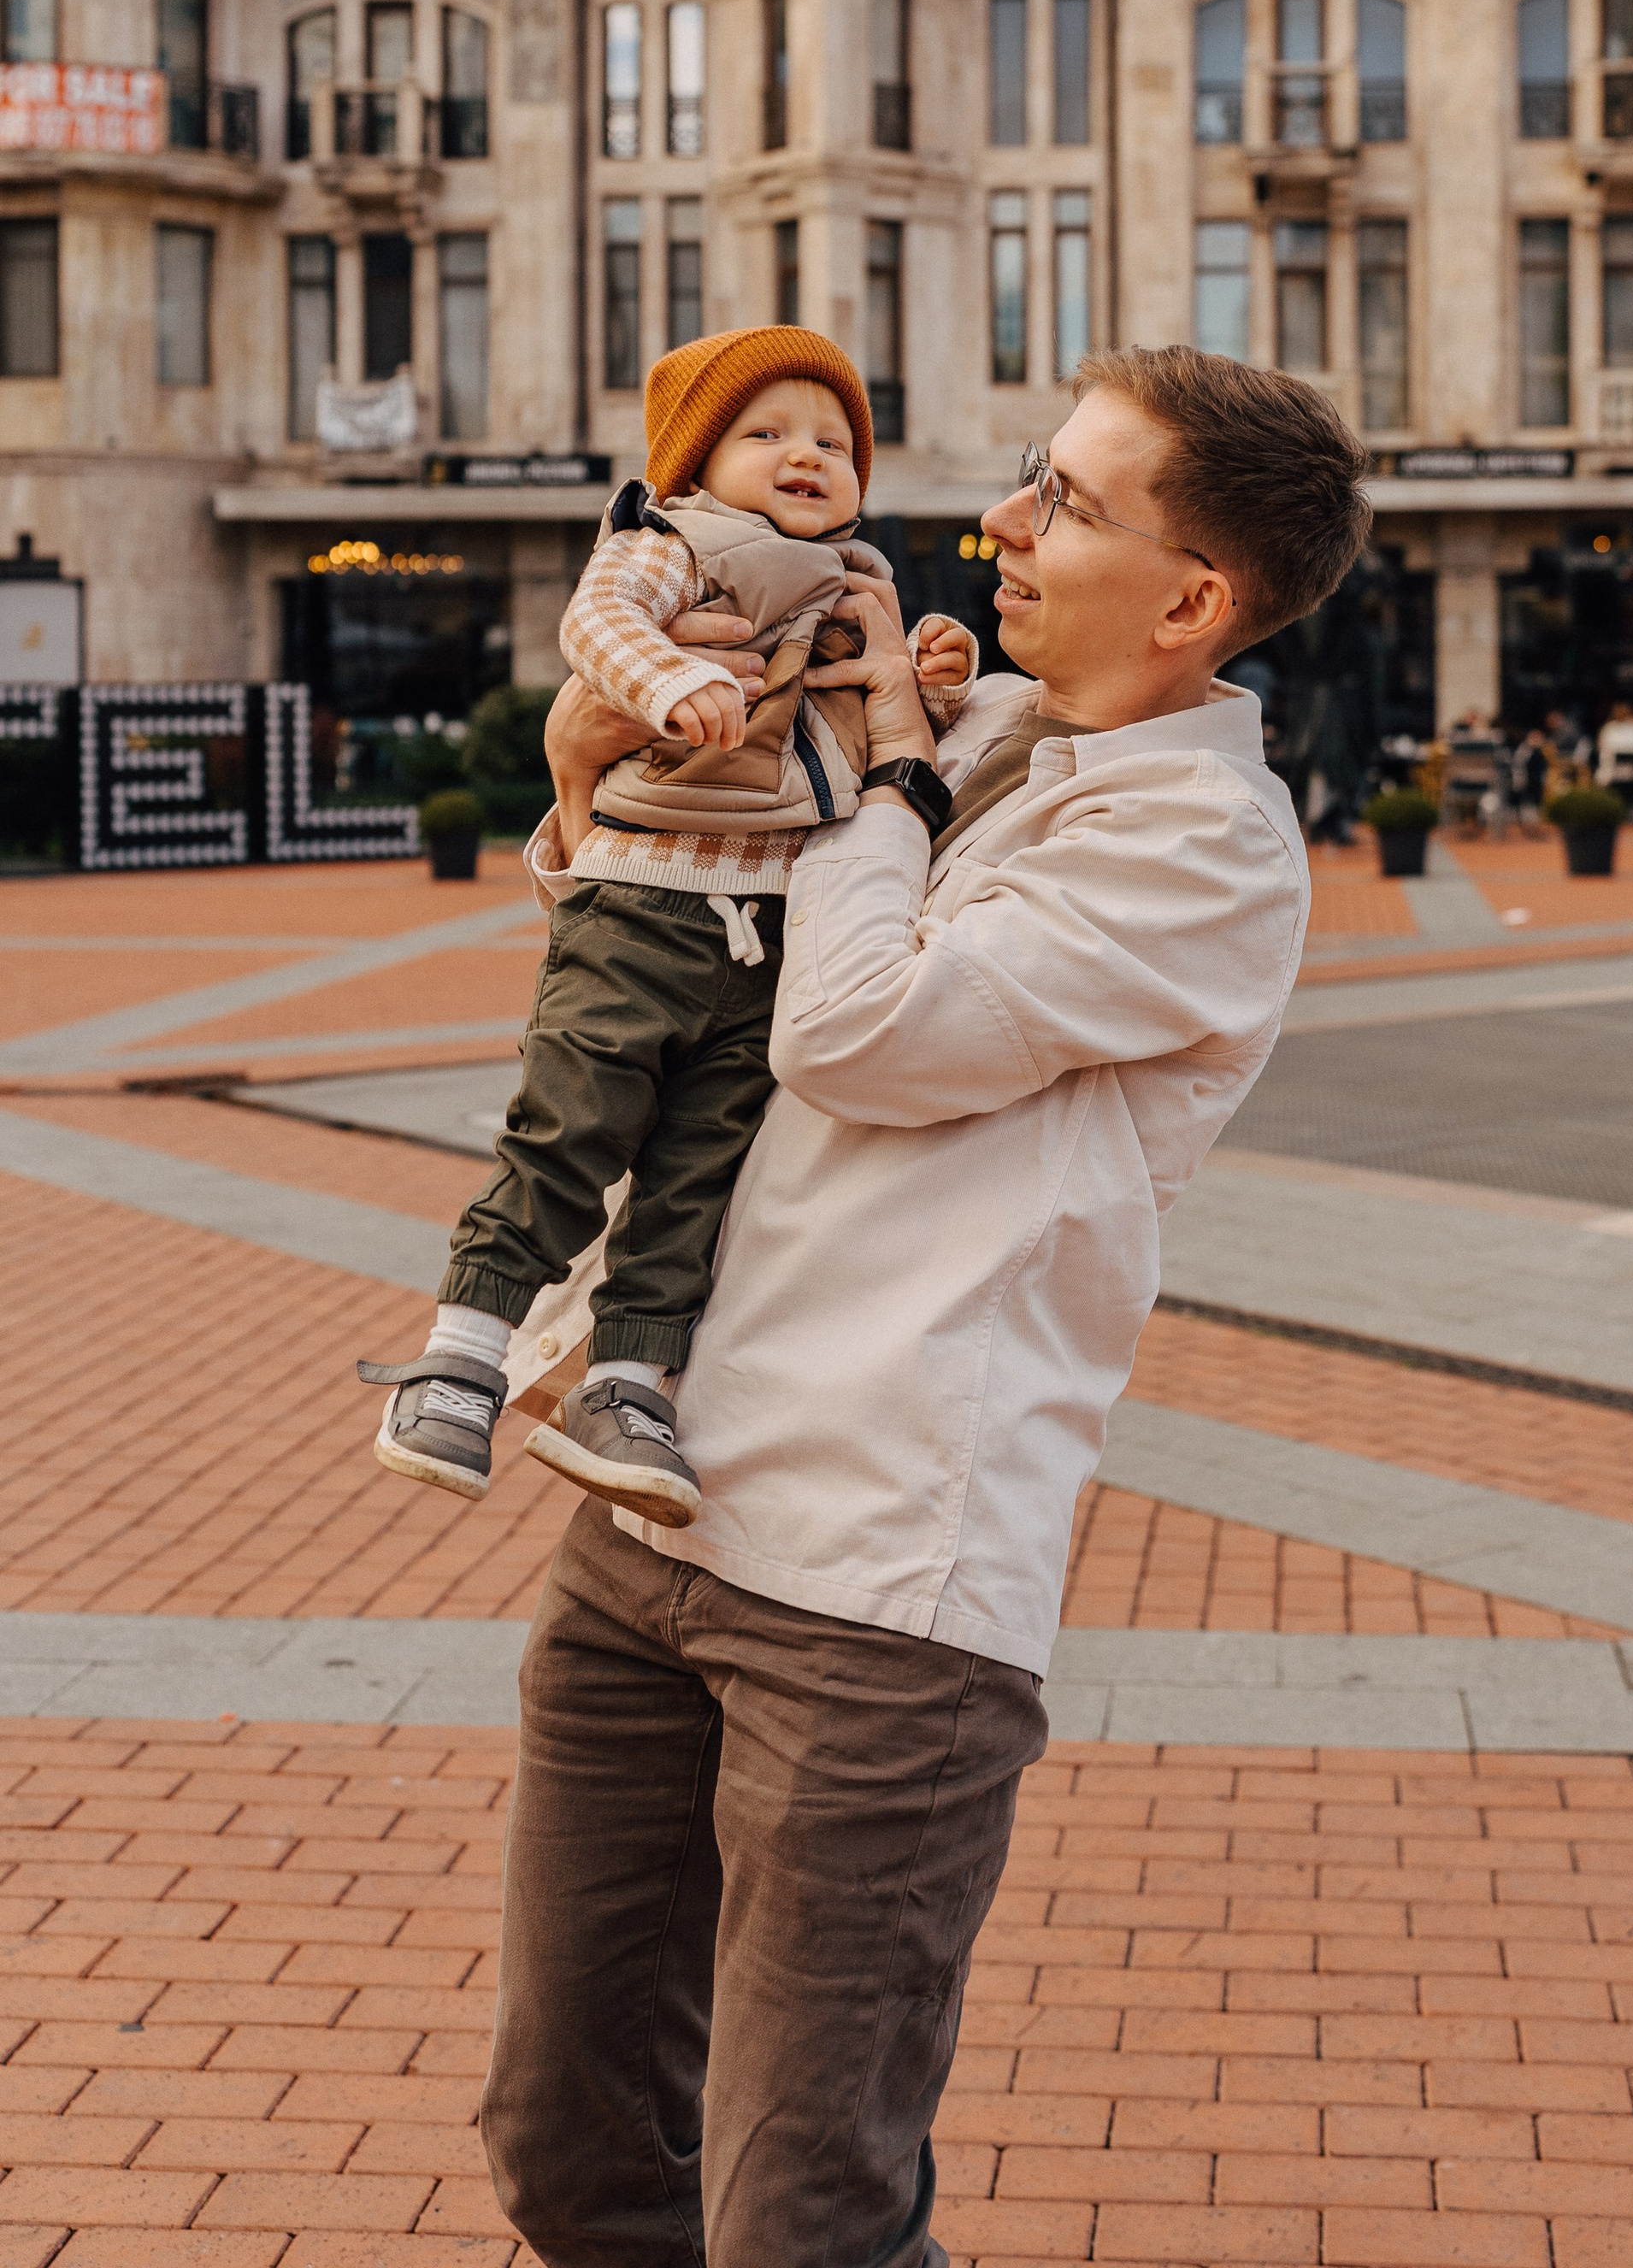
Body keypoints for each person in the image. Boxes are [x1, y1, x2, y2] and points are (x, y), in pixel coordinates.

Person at [479, 345, 1371, 2268]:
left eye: (1063, 497)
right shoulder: (976, 746)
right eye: (1025, 481)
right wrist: (605, 774)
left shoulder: (1198, 845)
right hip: (651, 1506)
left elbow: (861, 1031)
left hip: (879, 1599)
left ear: (1196, 595)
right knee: (573, 2148)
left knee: (804, 2220)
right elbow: (666, 945)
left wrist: (873, 772)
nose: (999, 525)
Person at [358, 324, 975, 1528]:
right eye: (769, 433)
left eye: (835, 442)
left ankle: (627, 1387)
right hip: (641, 903)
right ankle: (459, 1357)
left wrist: (932, 671)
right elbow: (595, 628)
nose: (808, 456)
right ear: (698, 459)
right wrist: (665, 680)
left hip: (768, 932)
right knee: (567, 1133)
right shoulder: (671, 540)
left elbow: (869, 710)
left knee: (697, 1176)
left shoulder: (857, 584)